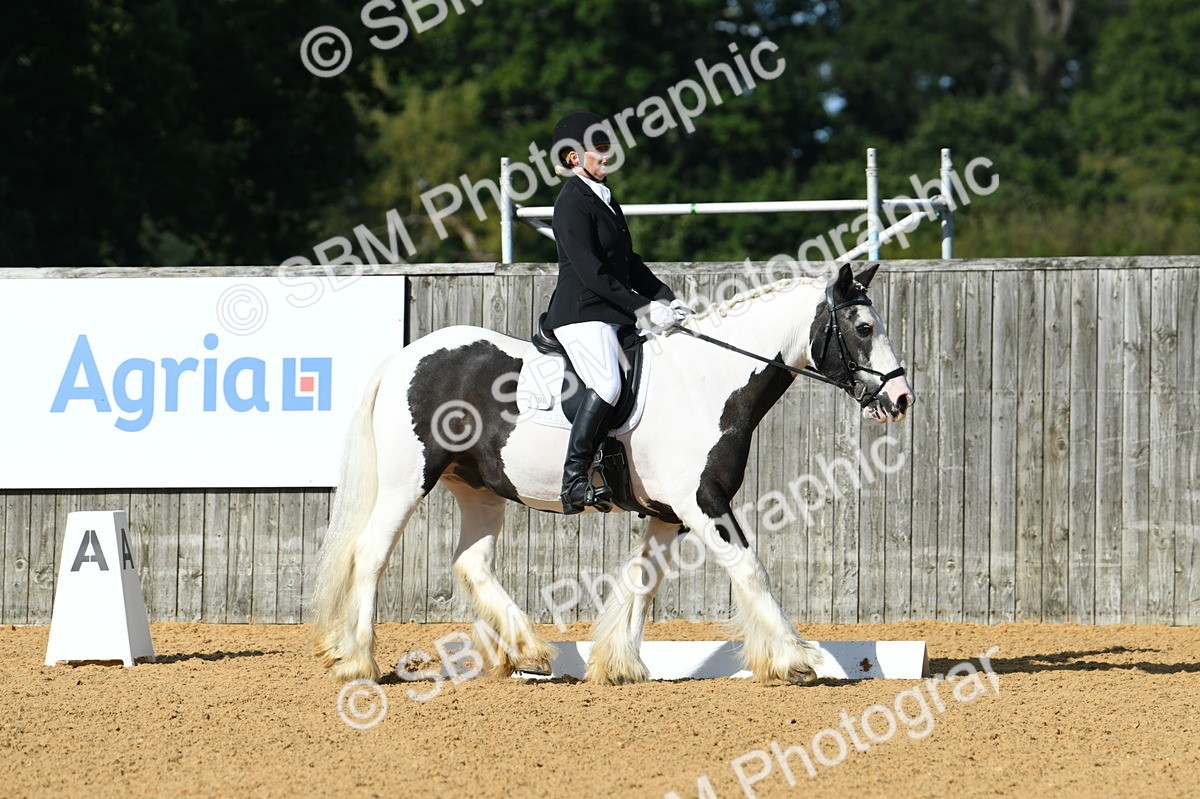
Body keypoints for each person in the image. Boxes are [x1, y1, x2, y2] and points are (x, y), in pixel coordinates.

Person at [543, 111, 692, 514]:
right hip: (581, 314)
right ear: (574, 157)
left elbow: (629, 262)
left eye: (608, 145)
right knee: (608, 384)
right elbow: (592, 273)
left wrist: (665, 298)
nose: (608, 154)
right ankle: (574, 481)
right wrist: (644, 309)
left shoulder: (604, 197)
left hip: (611, 313)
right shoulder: (571, 203)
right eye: (600, 147)